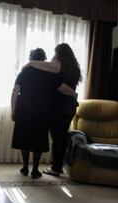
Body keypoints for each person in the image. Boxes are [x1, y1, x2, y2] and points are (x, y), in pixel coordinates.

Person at [25, 43, 81, 176]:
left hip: (59, 107)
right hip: (70, 106)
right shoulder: (75, 68)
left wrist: (30, 64)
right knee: (61, 136)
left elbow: (59, 86)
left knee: (57, 138)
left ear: (59, 54)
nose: (54, 56)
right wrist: (73, 94)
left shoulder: (58, 67)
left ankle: (56, 168)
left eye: (56, 53)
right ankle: (59, 166)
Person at [11, 48, 65, 179]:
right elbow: (62, 88)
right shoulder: (51, 74)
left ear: (31, 59)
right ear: (44, 59)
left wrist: (13, 110)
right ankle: (35, 170)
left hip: (24, 109)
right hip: (42, 111)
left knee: (24, 139)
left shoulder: (24, 72)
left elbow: (15, 92)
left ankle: (25, 168)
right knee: (38, 141)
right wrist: (74, 94)